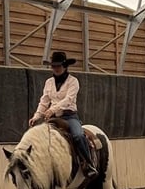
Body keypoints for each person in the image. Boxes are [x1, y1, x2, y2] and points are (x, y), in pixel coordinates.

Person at [29, 51, 99, 179]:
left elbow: (68, 99)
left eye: (58, 66)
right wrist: (36, 116)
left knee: (78, 136)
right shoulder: (49, 82)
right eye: (53, 66)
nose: (55, 68)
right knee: (39, 138)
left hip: (69, 116)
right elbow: (44, 101)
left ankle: (88, 164)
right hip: (53, 117)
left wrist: (53, 109)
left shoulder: (73, 81)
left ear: (65, 66)